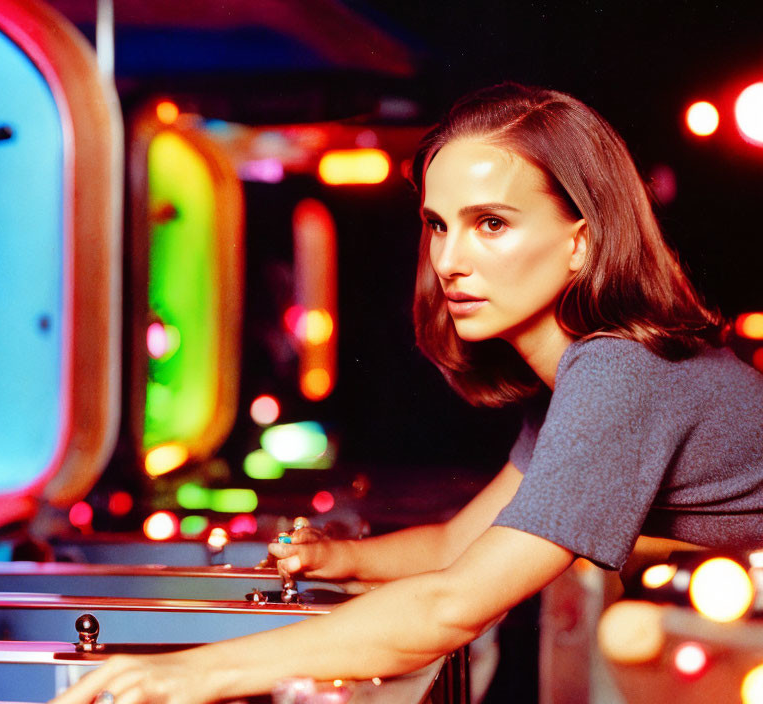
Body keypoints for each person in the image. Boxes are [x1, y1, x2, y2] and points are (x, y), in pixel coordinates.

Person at [49, 83, 763, 704]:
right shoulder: (579, 376)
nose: (449, 261)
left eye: (491, 224)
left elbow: (453, 608)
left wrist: (190, 674)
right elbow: (461, 544)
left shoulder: (619, 374)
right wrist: (345, 560)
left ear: (581, 240)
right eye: (437, 225)